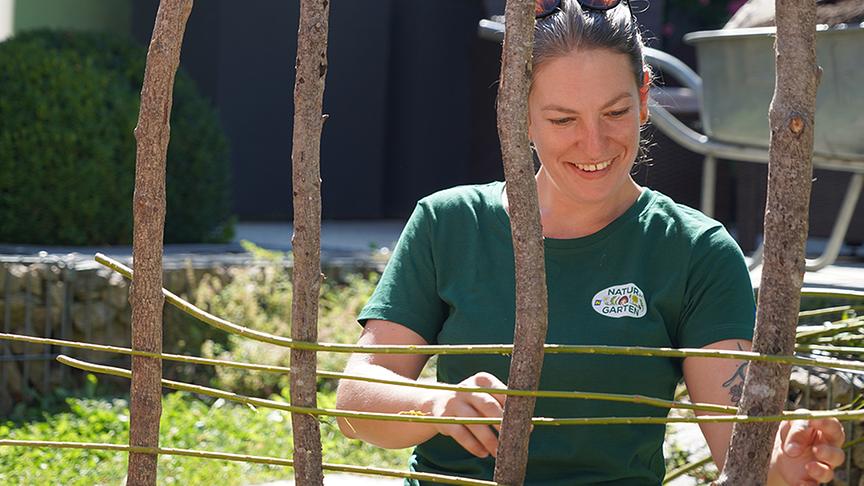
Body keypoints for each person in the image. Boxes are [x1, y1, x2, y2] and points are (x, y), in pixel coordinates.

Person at [335, 0, 846, 484]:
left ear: (645, 98)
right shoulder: (449, 223)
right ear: (518, 113)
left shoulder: (696, 251)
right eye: (563, 120)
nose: (595, 144)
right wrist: (435, 408)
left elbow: (736, 447)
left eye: (615, 112)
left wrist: (784, 462)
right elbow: (356, 404)